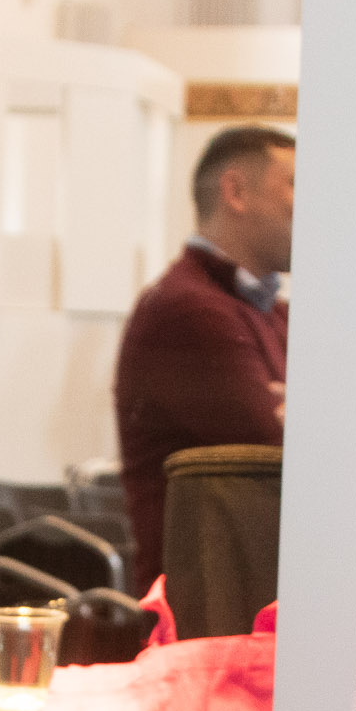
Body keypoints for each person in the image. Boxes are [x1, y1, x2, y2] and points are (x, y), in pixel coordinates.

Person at [113, 123, 295, 590]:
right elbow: (286, 457)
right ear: (235, 191)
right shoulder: (188, 310)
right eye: (296, 185)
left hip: (240, 594)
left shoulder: (268, 310)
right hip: (204, 610)